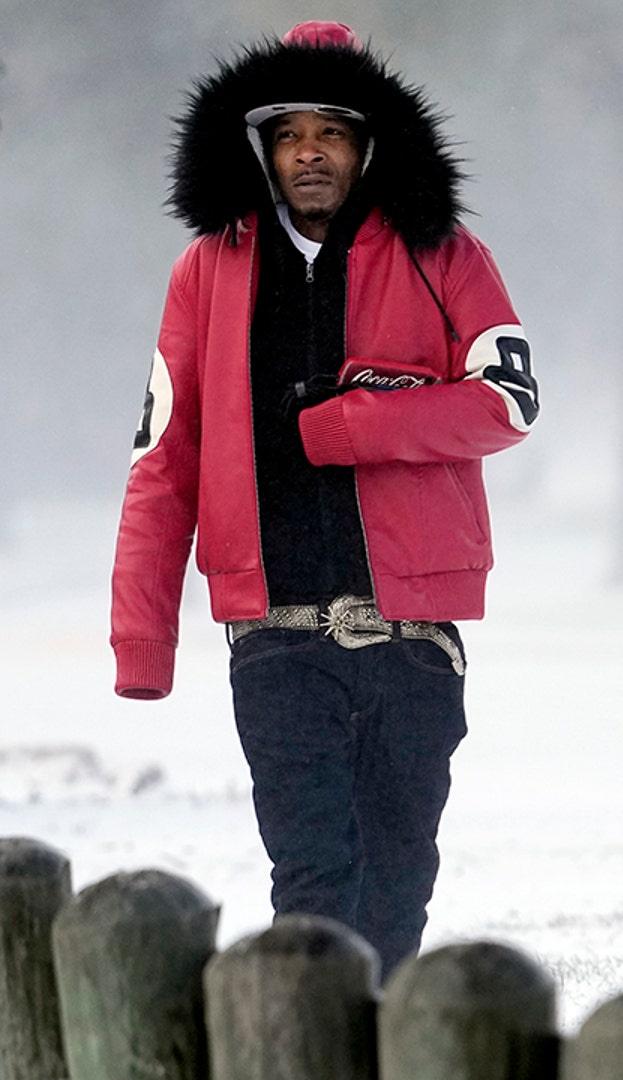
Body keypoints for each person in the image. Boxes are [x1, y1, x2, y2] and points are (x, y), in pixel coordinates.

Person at [109, 21, 538, 977]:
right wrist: (143, 640)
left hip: (414, 640)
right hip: (274, 640)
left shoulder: (445, 255)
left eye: (332, 131)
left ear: (369, 145)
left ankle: (373, 1046)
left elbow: (508, 403)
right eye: (290, 132)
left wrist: (357, 427)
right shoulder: (205, 272)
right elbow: (163, 461)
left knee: (396, 881)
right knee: (310, 878)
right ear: (260, 149)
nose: (311, 151)